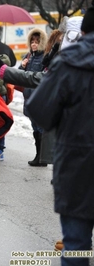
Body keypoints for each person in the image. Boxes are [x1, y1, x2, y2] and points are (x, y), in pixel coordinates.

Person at [25, 11, 93, 266]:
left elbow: (39, 110)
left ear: (83, 33)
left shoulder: (67, 61)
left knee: (76, 245)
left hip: (77, 163)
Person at [18, 28, 48, 167]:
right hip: (28, 96)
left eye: (37, 42)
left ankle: (42, 157)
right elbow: (18, 76)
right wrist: (22, 66)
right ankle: (38, 155)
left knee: (40, 127)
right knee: (35, 127)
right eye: (32, 41)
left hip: (39, 97)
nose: (34, 44)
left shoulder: (45, 57)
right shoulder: (28, 56)